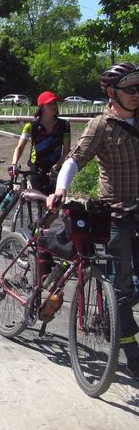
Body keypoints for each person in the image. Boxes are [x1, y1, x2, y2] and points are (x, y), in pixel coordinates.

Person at [47, 62, 139, 378]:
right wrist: (60, 190)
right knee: (123, 287)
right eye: (131, 89)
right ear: (112, 93)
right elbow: (74, 160)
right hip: (117, 217)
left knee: (130, 288)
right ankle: (132, 354)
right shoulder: (101, 126)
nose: (137, 94)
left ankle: (118, 317)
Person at [10, 91, 70, 196]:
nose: (53, 106)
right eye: (49, 104)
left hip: (56, 168)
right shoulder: (31, 126)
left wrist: (57, 166)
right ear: (41, 107)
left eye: (55, 103)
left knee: (55, 203)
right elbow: (19, 147)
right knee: (41, 202)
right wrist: (14, 163)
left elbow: (66, 151)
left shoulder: (64, 125)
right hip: (37, 168)